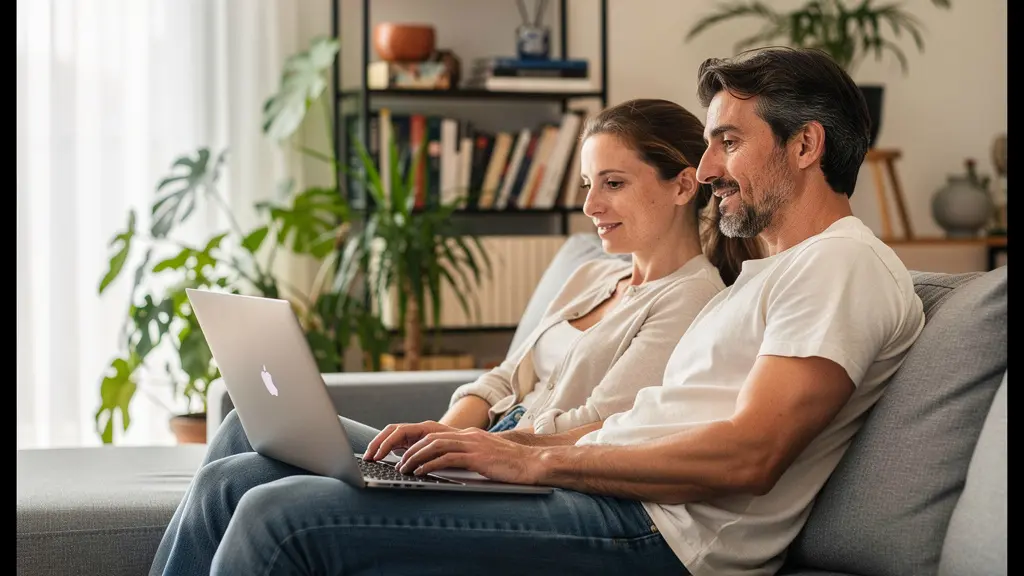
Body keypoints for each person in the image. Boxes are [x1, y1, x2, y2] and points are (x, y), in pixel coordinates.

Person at [155, 46, 928, 575]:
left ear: (805, 147)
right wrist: (502, 447)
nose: (706, 166)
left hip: (657, 536)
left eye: (728, 140)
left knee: (277, 517)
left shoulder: (844, 265)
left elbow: (749, 457)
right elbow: (663, 417)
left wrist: (532, 459)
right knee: (240, 476)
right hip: (598, 493)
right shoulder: (772, 272)